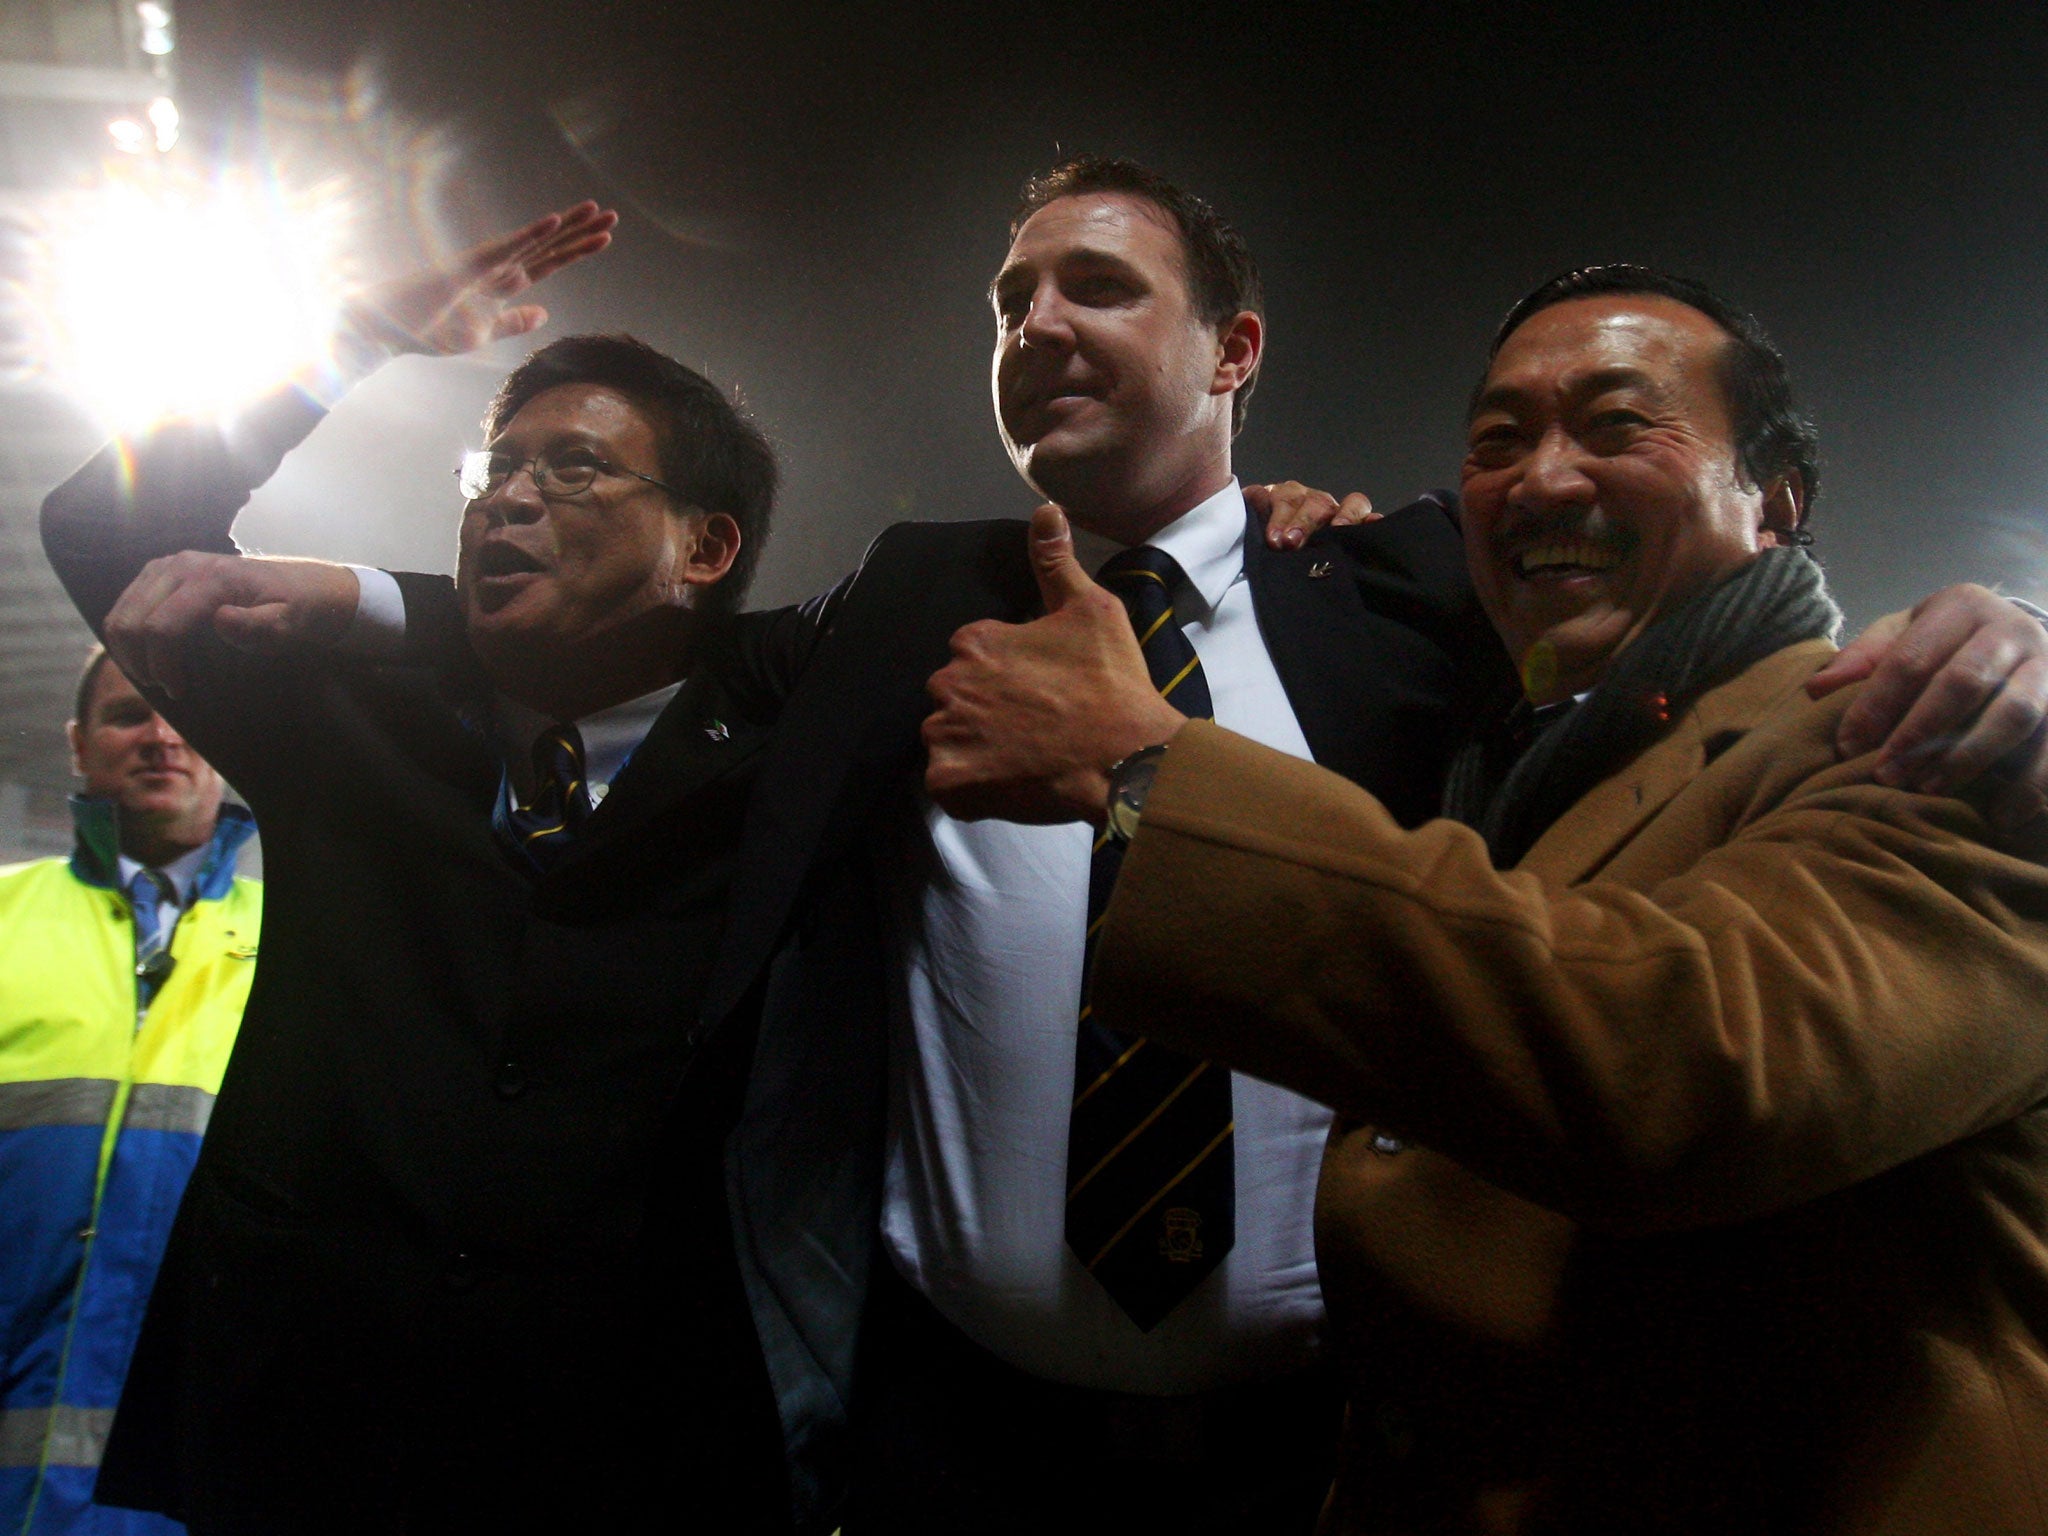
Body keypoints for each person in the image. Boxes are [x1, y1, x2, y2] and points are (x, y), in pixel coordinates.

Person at [98, 164, 2048, 1535]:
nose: (1036, 323)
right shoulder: (904, 606)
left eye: (1097, 287)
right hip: (949, 1450)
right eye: (1009, 301)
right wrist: (365, 594)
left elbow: (1683, 665)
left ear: (1235, 347)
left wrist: (1997, 638)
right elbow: (626, 635)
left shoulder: (1399, 590)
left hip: (1336, 1456)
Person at [919, 265, 2048, 1531]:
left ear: (1775, 502)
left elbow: (1683, 1063)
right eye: (1497, 442)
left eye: (1616, 424)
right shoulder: (1510, 757)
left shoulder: (1951, 732)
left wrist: (1144, 769)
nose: (1542, 479)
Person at [38, 204, 855, 1534]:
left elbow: (908, 608)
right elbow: (101, 526)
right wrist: (349, 341)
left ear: (706, 550)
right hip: (301, 1449)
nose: (510, 499)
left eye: (576, 470)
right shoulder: (349, 727)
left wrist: (369, 595)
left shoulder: (779, 766)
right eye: (496, 469)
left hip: (618, 1469)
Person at [0, 651, 259, 1536]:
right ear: (78, 744)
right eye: (127, 715)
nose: (160, 736)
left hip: (180, 1501)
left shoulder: (305, 943)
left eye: (183, 713)